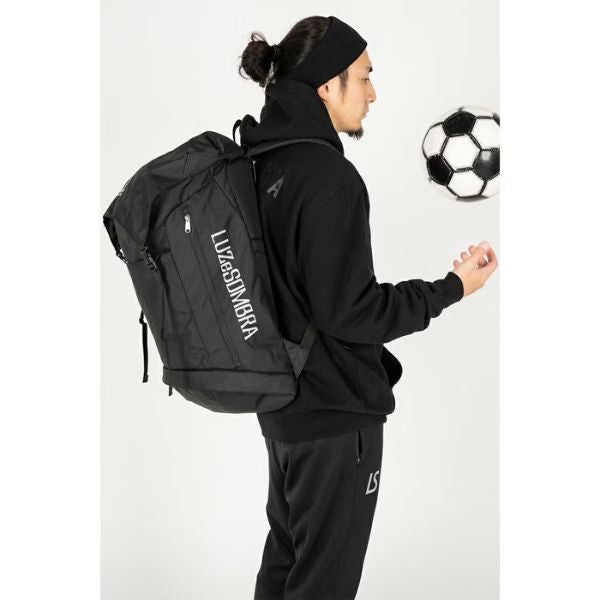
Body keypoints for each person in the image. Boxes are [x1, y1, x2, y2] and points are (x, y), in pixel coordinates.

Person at [238, 15, 498, 600]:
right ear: (326, 86)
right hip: (335, 421)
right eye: (364, 77)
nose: (373, 93)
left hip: (283, 414)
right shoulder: (328, 177)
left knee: (285, 567)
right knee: (323, 585)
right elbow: (350, 313)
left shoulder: (261, 164)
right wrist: (452, 287)